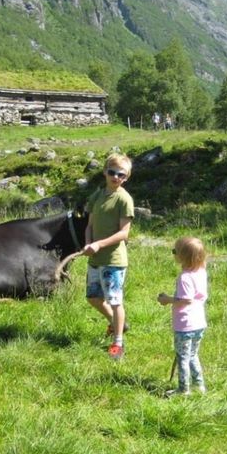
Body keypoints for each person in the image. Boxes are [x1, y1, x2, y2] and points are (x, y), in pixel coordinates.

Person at [83, 153, 134, 359]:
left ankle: (118, 343)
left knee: (115, 300)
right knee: (93, 298)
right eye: (112, 172)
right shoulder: (98, 195)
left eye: (120, 174)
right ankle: (117, 323)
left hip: (113, 261)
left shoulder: (124, 199)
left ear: (126, 178)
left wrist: (99, 244)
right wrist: (88, 242)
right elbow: (90, 225)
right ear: (105, 172)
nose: (115, 177)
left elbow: (124, 233)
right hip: (95, 258)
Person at [158, 235, 208, 394]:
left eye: (175, 251)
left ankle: (183, 389)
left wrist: (167, 299)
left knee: (183, 357)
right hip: (199, 323)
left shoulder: (185, 278)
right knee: (193, 355)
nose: (173, 254)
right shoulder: (201, 271)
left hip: (185, 325)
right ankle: (199, 385)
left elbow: (185, 300)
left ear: (182, 257)